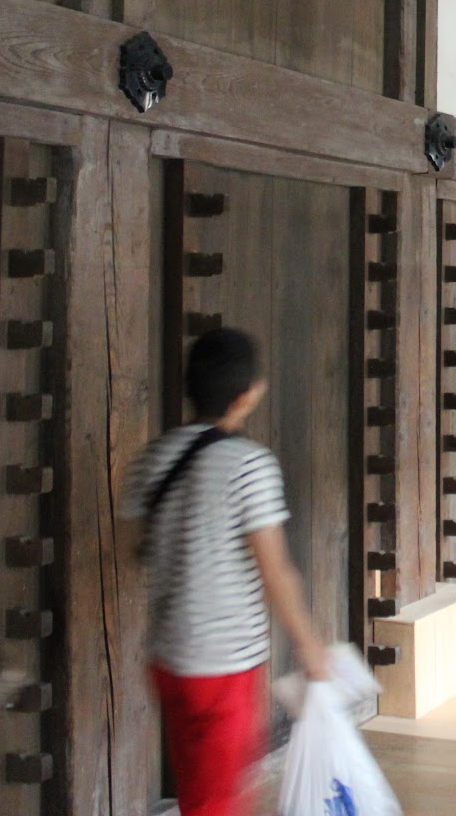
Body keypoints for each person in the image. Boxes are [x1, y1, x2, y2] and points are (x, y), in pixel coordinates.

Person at [125, 328, 334, 816]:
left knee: (199, 789)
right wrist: (309, 645)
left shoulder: (153, 458)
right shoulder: (249, 464)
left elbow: (135, 547)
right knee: (217, 801)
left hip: (168, 656)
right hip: (225, 663)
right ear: (248, 395)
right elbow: (275, 570)